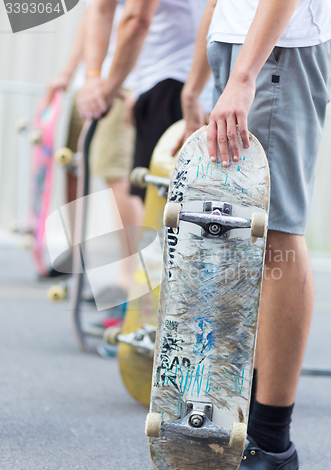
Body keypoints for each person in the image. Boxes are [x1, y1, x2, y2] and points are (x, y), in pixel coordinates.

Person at [180, 0, 331, 470]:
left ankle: (272, 442)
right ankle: (242, 421)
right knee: (242, 240)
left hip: (276, 52)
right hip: (241, 46)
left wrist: (243, 76)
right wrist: (202, 76)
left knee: (277, 236)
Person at [45, 2, 143, 300]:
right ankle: (77, 257)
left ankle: (131, 282)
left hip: (121, 85)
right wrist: (70, 73)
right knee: (75, 170)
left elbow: (142, 20)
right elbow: (94, 16)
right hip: (90, 84)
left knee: (117, 177)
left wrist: (131, 84)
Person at [77, 0, 212, 202]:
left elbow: (136, 20)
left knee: (162, 202)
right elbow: (102, 10)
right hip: (171, 83)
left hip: (173, 84)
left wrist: (108, 89)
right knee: (163, 198)